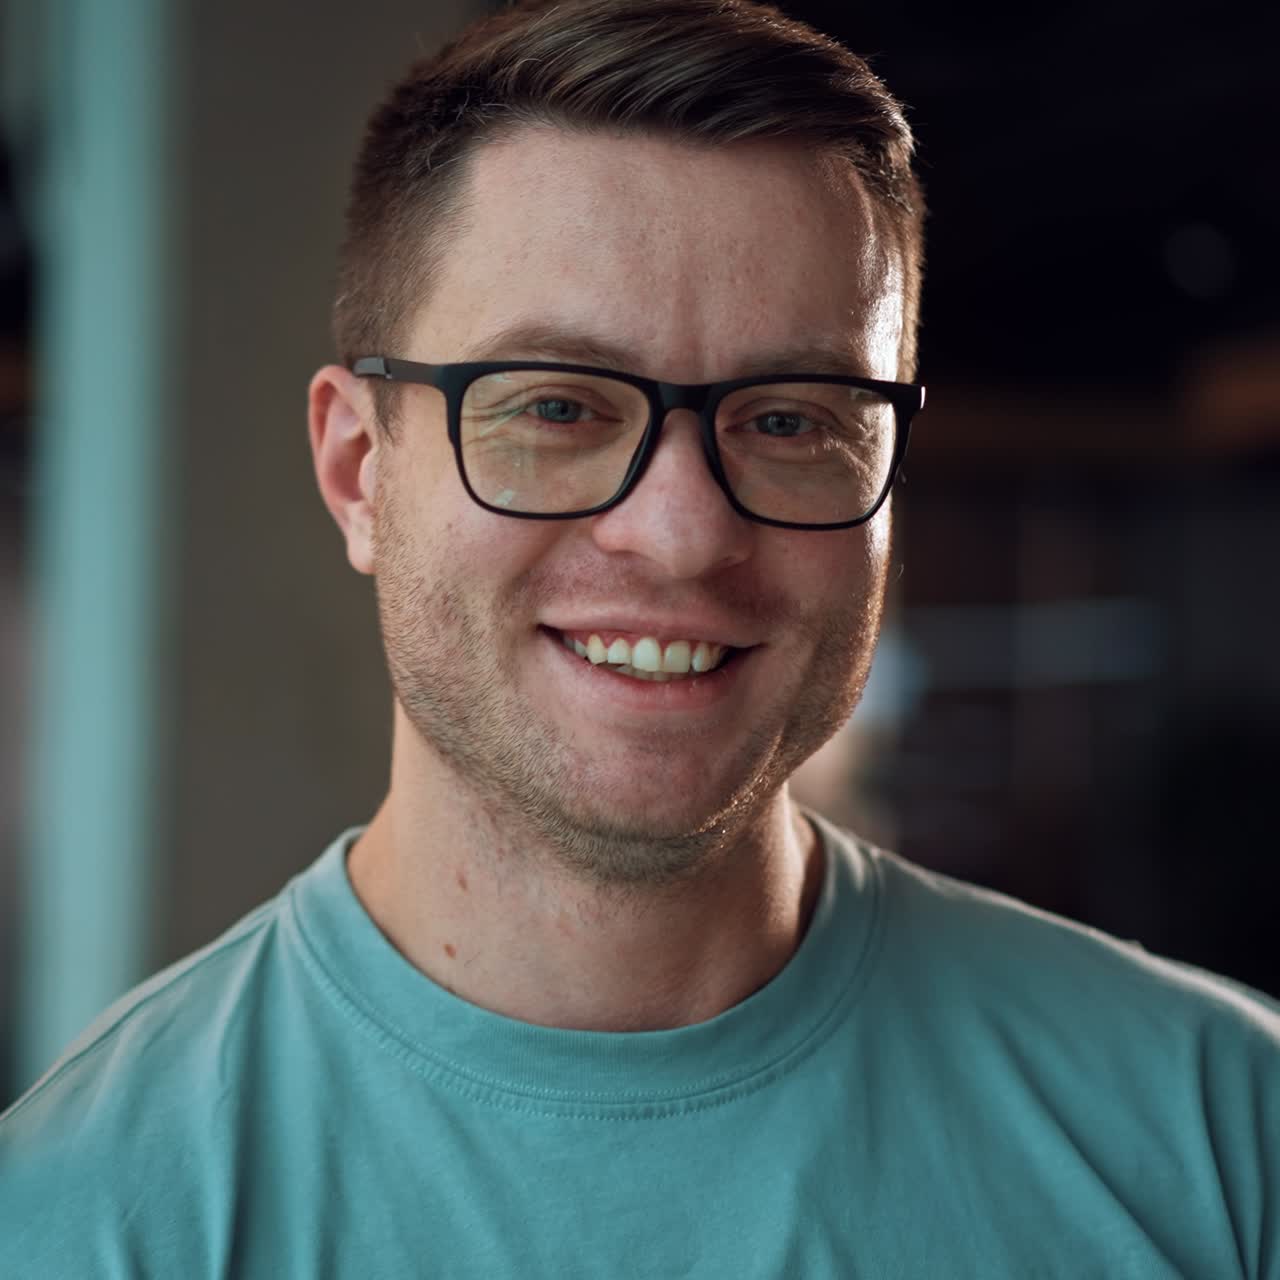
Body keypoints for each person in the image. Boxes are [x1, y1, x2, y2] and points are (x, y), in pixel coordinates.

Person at [2, 0, 1277, 1274]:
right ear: (357, 470)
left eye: (789, 420)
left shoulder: (1224, 1139)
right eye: (557, 404)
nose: (678, 533)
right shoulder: (83, 1217)